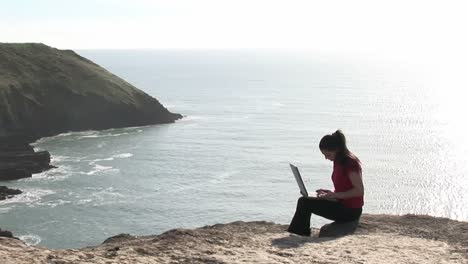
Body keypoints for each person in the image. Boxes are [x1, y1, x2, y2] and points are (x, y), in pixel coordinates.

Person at [287, 130, 364, 236]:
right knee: (305, 200)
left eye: (328, 154)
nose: (326, 158)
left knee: (304, 203)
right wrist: (327, 193)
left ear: (337, 150)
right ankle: (299, 233)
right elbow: (344, 189)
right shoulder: (338, 160)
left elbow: (359, 191)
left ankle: (299, 235)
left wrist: (334, 195)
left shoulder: (350, 163)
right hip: (341, 203)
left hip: (350, 211)